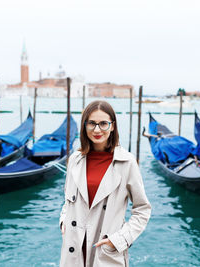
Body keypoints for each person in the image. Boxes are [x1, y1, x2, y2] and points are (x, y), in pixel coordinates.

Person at [59, 100, 151, 267]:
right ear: (84, 125)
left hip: (106, 251)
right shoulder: (74, 160)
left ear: (113, 126)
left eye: (103, 124)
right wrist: (64, 220)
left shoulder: (127, 162)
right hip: (74, 248)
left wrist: (119, 240)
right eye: (92, 123)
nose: (97, 130)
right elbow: (68, 199)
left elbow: (142, 209)